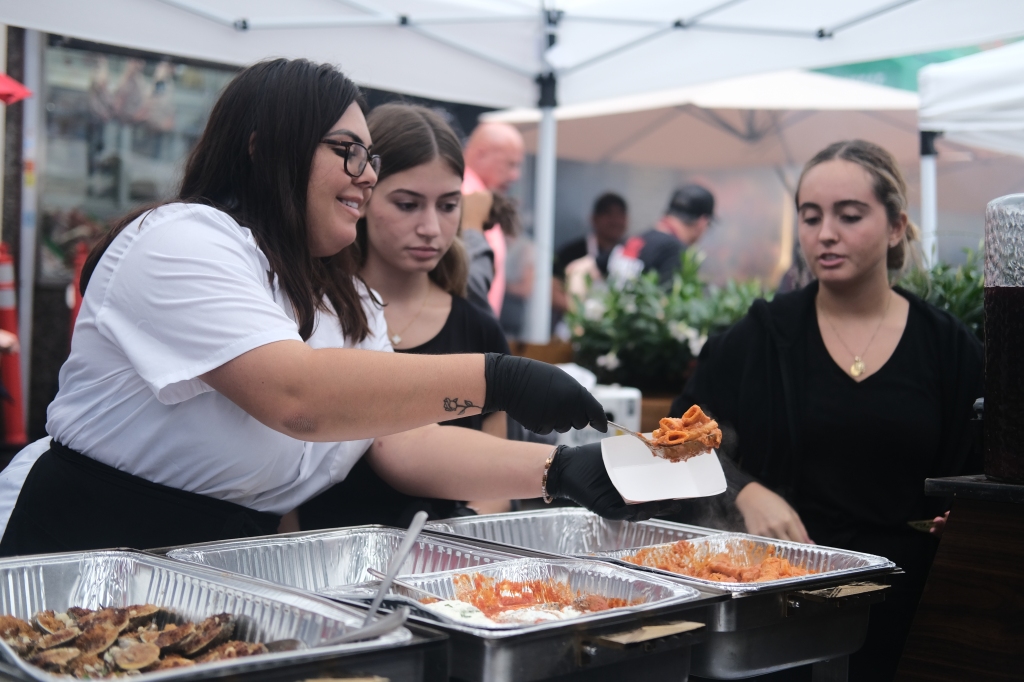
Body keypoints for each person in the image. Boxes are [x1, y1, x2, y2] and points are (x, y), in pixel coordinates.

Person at [0, 59, 678, 556]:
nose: (366, 175)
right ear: (265, 151)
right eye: (345, 151)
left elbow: (395, 437)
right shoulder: (183, 239)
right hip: (92, 544)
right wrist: (500, 376)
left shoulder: (343, 295)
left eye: (371, 157)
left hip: (226, 554)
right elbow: (298, 396)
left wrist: (555, 472)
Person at [670, 140, 983, 681]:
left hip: (907, 615)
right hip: (778, 613)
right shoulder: (762, 338)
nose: (825, 233)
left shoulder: (947, 347)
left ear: (895, 227)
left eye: (849, 215)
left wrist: (967, 519)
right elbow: (674, 442)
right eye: (810, 217)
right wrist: (744, 490)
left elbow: (983, 471)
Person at [297, 103, 512, 528]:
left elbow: (496, 490)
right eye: (408, 204)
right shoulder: (311, 312)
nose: (431, 227)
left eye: (449, 206)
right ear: (361, 195)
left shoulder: (478, 328)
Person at [461, 121, 526, 317]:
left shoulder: (478, 195)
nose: (516, 175)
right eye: (510, 164)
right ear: (481, 154)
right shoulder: (462, 195)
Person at [618, 184, 714, 286]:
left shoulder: (635, 239)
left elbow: (600, 266)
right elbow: (666, 300)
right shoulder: (674, 251)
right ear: (702, 223)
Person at [551, 192, 627, 314]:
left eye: (620, 215)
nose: (615, 221)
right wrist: (583, 314)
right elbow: (552, 290)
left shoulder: (628, 253)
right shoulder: (571, 252)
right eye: (608, 214)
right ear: (594, 219)